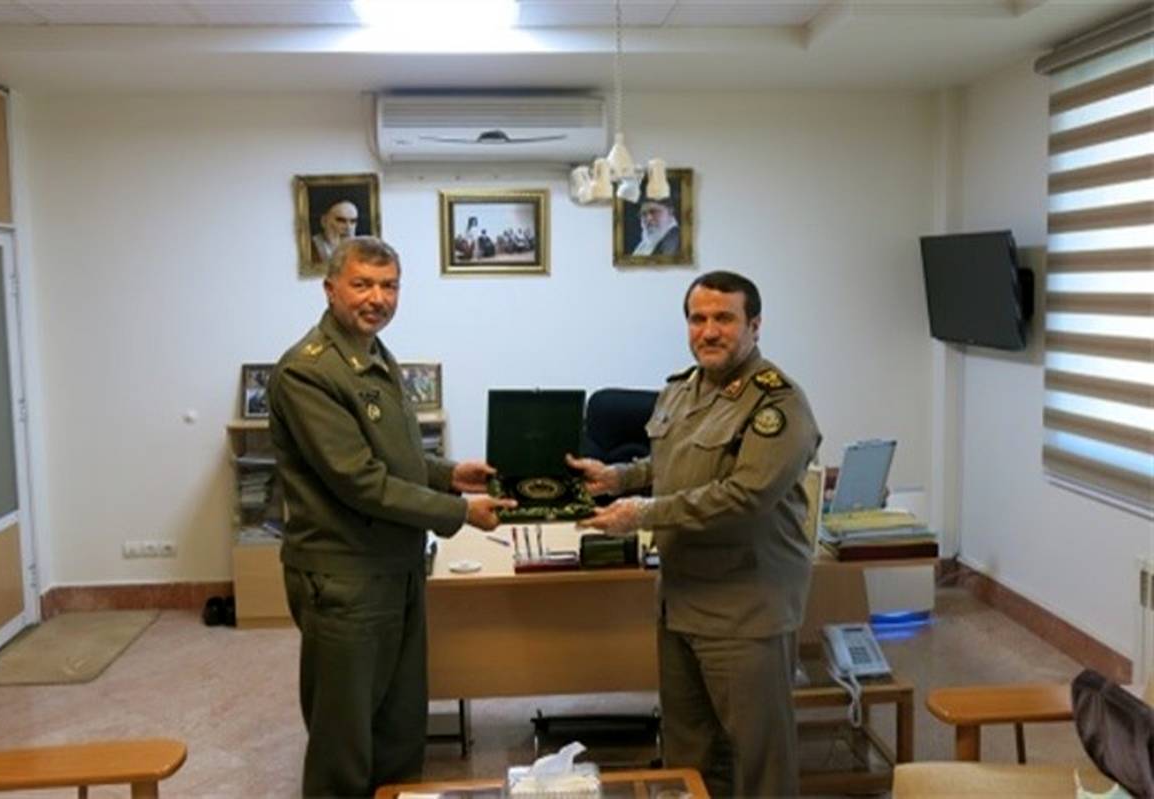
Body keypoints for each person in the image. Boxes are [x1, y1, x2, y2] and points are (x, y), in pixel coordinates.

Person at [268, 236, 514, 798]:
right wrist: (460, 511)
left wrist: (449, 474)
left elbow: (394, 459)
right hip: (347, 577)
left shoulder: (374, 354)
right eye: (362, 284)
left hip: (396, 566)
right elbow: (361, 481)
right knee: (345, 741)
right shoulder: (308, 372)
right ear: (330, 289)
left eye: (389, 286)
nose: (377, 298)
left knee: (401, 728)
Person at [569, 270, 821, 797]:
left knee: (759, 758)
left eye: (724, 318)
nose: (709, 331)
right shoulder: (682, 390)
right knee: (689, 754)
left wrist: (643, 513)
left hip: (744, 606)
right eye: (698, 318)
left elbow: (746, 495)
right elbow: (671, 464)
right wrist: (618, 477)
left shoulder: (777, 404)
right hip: (680, 600)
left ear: (754, 325)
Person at [310, 199, 360, 265]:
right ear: (324, 221)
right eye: (341, 220)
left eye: (353, 221)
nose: (348, 227)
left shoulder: (362, 250)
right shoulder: (310, 248)